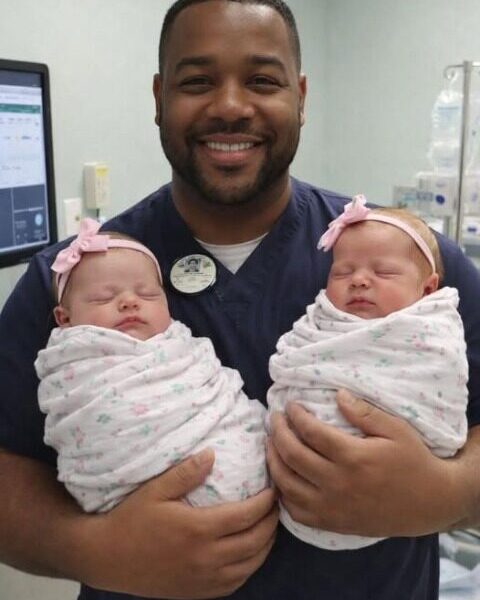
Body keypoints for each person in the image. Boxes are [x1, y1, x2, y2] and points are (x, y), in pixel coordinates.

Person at [0, 1, 479, 599]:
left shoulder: (410, 262)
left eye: (262, 80)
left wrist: (446, 493)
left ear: (300, 96)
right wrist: (90, 549)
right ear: (159, 98)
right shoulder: (70, 282)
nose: (230, 105)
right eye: (198, 81)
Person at [267, 195, 469, 550]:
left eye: (384, 272)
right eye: (342, 272)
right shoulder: (320, 320)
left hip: (393, 554)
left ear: (428, 288)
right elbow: (297, 356)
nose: (359, 280)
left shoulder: (431, 330)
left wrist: (443, 489)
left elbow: (445, 378)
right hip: (287, 493)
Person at [35, 218, 267, 513]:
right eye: (104, 298)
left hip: (245, 469)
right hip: (139, 512)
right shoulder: (71, 366)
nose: (129, 302)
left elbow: (220, 392)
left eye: (147, 294)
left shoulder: (182, 347)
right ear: (64, 318)